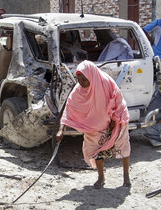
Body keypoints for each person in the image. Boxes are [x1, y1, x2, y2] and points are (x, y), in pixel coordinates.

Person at [56, 60, 131, 189]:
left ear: (91, 76)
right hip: (95, 124)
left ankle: (126, 177)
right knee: (95, 149)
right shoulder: (79, 90)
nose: (81, 82)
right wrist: (61, 130)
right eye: (78, 79)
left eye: (84, 79)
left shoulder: (105, 82)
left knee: (122, 145)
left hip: (116, 118)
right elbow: (68, 108)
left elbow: (117, 99)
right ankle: (101, 178)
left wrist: (114, 120)